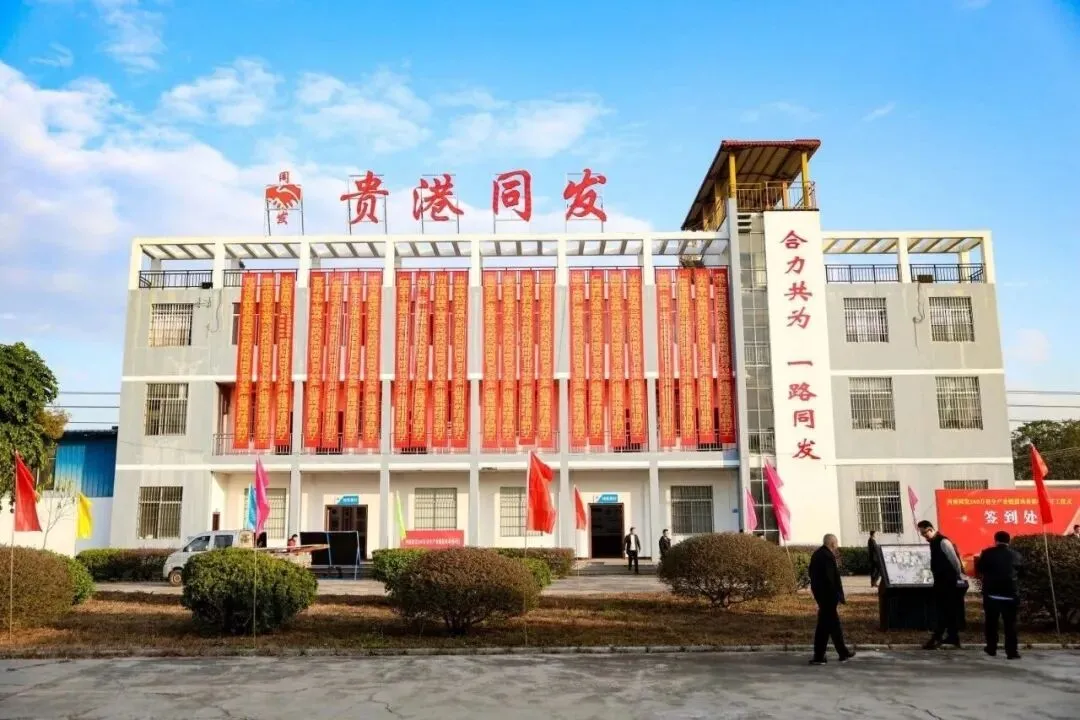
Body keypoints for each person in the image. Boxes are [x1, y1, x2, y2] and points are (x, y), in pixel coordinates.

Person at [975, 530, 1023, 660]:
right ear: (1009, 541)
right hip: (1011, 595)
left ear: (995, 540)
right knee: (1011, 625)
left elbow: (980, 569)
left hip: (992, 595)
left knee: (991, 623)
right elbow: (1022, 573)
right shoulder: (1016, 555)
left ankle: (991, 648)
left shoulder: (987, 553)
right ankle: (1012, 652)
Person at [808, 534, 855, 665]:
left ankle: (840, 653)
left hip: (821, 596)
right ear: (832, 543)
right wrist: (836, 596)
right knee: (827, 627)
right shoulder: (828, 556)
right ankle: (822, 656)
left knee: (830, 626)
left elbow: (811, 573)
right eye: (836, 543)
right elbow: (831, 579)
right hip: (828, 597)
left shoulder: (817, 554)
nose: (837, 545)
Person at [917, 520, 964, 649]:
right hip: (940, 581)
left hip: (948, 582)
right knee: (947, 610)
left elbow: (955, 561)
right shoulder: (933, 542)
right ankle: (953, 637)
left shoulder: (943, 542)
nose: (924, 536)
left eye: (924, 533)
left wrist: (957, 576)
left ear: (930, 529)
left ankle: (937, 637)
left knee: (943, 610)